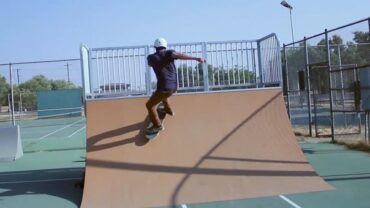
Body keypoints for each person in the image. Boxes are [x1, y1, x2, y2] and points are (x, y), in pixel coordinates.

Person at [146, 38, 206, 134]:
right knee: (164, 95)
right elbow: (179, 55)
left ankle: (157, 126)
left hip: (163, 88)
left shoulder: (151, 57)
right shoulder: (169, 53)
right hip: (174, 87)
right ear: (165, 46)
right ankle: (168, 110)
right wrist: (196, 58)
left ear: (155, 47)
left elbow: (149, 64)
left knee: (149, 106)